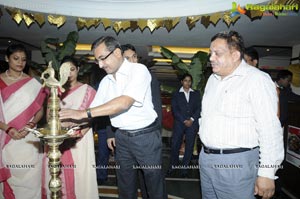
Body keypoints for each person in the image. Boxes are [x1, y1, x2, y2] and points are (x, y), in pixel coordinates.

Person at [59, 36, 164, 199]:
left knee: (154, 186)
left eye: (102, 59)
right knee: (125, 186)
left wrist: (82, 114)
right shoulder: (106, 81)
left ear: (116, 52)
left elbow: (124, 103)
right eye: (97, 61)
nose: (100, 65)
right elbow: (94, 108)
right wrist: (70, 126)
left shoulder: (138, 70)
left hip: (145, 137)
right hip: (121, 137)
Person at [199, 31, 284, 199]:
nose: (211, 58)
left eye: (217, 53)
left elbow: (269, 128)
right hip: (206, 159)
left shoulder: (256, 79)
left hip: (236, 162)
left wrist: (267, 173)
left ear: (235, 55)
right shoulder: (212, 80)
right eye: (211, 53)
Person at [42, 56, 98, 198]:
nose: (69, 73)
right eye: (65, 70)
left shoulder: (88, 91)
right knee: (55, 173)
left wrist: (79, 133)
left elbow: (93, 117)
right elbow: (49, 117)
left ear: (78, 70)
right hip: (57, 139)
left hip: (80, 140)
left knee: (80, 174)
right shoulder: (55, 91)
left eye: (72, 69)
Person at [0, 44, 46, 198]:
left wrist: (30, 126)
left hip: (28, 137)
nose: (20, 62)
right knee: (10, 176)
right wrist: (8, 129)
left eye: (24, 60)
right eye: (16, 58)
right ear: (7, 58)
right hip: (4, 137)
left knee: (31, 178)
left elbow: (40, 110)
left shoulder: (33, 84)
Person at [167, 73, 201, 177]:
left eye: (189, 81)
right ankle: (173, 166)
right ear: (182, 82)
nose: (188, 83)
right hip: (179, 124)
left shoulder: (196, 93)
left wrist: (191, 119)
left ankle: (184, 170)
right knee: (175, 145)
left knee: (189, 147)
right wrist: (184, 120)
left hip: (192, 124)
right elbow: (175, 109)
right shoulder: (176, 94)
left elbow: (199, 108)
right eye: (185, 80)